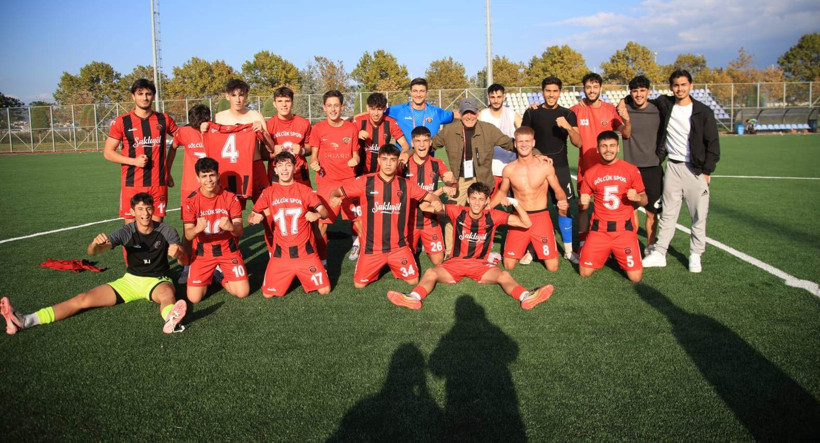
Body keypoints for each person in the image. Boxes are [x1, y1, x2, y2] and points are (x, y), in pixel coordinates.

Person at [1, 193, 188, 335]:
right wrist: (94, 245)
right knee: (83, 299)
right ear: (132, 212)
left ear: (153, 209)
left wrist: (178, 253)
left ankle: (171, 319)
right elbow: (95, 252)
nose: (145, 213)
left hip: (157, 280)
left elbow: (183, 261)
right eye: (140, 209)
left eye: (148, 208)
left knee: (167, 294)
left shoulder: (167, 231)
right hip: (130, 281)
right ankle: (25, 320)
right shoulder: (126, 231)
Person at [386, 183, 554, 311]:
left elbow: (526, 223)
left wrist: (514, 202)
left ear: (487, 201)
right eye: (473, 198)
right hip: (455, 263)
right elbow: (424, 206)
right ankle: (414, 297)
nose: (476, 203)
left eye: (481, 199)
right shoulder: (457, 211)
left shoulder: (494, 216)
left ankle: (526, 296)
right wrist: (441, 191)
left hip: (480, 265)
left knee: (504, 275)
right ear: (467, 199)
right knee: (431, 272)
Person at [329, 144, 442, 289]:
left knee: (413, 281)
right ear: (379, 161)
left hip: (398, 247)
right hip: (372, 247)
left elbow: (429, 196)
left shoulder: (405, 185)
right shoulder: (366, 182)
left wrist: (436, 202)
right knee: (359, 285)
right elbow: (337, 191)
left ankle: (390, 262)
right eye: (385, 159)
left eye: (393, 160)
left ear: (397, 162)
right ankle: (378, 263)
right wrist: (334, 197)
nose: (388, 163)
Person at [641, 69, 721, 273]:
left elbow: (713, 144)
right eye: (676, 85)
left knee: (698, 215)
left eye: (683, 85)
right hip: (673, 167)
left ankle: (695, 254)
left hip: (695, 169)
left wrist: (707, 171)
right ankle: (660, 253)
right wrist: (625, 100)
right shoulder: (666, 104)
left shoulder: (703, 111)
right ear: (671, 87)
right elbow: (640, 95)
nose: (680, 89)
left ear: (691, 86)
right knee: (668, 213)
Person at [248, 152, 331, 297]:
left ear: (294, 168)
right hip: (281, 254)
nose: (284, 170)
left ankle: (303, 272)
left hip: (305, 253)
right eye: (280, 166)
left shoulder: (304, 190)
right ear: (275, 170)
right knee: (267, 294)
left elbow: (325, 212)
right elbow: (252, 215)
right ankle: (291, 274)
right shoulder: (268, 192)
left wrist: (316, 214)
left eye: (288, 165)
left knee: (324, 290)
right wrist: (254, 218)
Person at [488, 126, 567, 271]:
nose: (524, 144)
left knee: (552, 267)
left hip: (541, 216)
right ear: (515, 144)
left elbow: (557, 189)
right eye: (520, 141)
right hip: (519, 217)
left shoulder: (545, 166)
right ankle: (530, 246)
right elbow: (501, 192)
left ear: (533, 143)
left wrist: (562, 200)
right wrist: (487, 208)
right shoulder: (509, 169)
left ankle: (532, 248)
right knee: (509, 265)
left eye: (527, 141)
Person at [521, 76, 582, 264]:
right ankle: (532, 249)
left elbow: (578, 142)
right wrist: (537, 155)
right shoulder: (532, 113)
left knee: (563, 207)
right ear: (542, 92)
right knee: (535, 209)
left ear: (560, 92)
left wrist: (568, 128)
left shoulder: (568, 114)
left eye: (555, 91)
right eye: (548, 91)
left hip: (561, 167)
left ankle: (569, 250)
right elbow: (524, 140)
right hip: (536, 167)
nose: (551, 95)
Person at [103, 78, 178, 224]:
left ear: (153, 96)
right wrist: (134, 161)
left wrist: (167, 170)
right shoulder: (122, 121)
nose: (145, 97)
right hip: (132, 184)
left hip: (158, 183)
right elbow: (108, 153)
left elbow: (182, 137)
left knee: (156, 230)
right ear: (133, 96)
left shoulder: (164, 119)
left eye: (148, 94)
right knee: (131, 232)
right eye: (140, 93)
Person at [577, 131, 647, 282]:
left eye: (612, 146)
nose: (608, 150)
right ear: (598, 149)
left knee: (635, 278)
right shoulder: (591, 173)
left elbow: (645, 200)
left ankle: (615, 252)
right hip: (599, 230)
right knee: (584, 272)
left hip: (623, 230)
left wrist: (638, 198)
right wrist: (582, 202)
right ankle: (606, 252)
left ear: (618, 148)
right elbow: (582, 207)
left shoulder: (631, 169)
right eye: (603, 146)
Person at [571, 73, 630, 241]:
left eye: (595, 87)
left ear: (600, 88)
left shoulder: (610, 109)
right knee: (583, 205)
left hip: (608, 169)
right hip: (586, 167)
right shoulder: (576, 110)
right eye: (588, 87)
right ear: (583, 89)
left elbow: (625, 133)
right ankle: (582, 241)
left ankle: (606, 239)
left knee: (605, 206)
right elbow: (556, 115)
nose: (591, 90)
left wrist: (627, 120)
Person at [182, 157, 249, 303]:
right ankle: (211, 274)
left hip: (227, 250)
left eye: (212, 175)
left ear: (218, 175)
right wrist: (196, 229)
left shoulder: (230, 198)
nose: (209, 180)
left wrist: (231, 227)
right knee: (194, 298)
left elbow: (240, 231)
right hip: (203, 252)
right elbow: (188, 234)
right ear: (197, 178)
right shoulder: (190, 201)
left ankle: (219, 277)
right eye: (204, 176)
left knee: (242, 292)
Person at [309, 90, 361, 263]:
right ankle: (319, 257)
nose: (333, 109)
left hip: (348, 181)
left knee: (357, 219)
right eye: (329, 105)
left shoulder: (351, 128)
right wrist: (314, 162)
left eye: (336, 105)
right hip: (326, 182)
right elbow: (314, 155)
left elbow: (356, 154)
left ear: (342, 107)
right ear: (324, 107)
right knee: (322, 221)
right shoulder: (318, 128)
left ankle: (362, 249)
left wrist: (355, 159)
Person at [618, 75, 663, 251]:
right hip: (631, 168)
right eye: (635, 91)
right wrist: (623, 104)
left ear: (648, 92)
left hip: (653, 168)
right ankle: (633, 243)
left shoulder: (658, 110)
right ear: (630, 93)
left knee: (652, 212)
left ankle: (650, 246)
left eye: (642, 91)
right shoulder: (624, 110)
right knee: (632, 210)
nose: (638, 94)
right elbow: (625, 134)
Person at [167, 104, 210, 284]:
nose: (197, 125)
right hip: (189, 188)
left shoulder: (213, 129)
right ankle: (186, 266)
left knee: (213, 225)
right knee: (188, 229)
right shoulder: (183, 132)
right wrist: (167, 171)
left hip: (210, 187)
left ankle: (214, 264)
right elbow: (174, 147)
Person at [213, 79, 273, 205]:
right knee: (234, 211)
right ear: (227, 96)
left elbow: (271, 147)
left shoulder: (255, 116)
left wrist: (262, 132)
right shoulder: (218, 118)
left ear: (246, 96)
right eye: (234, 95)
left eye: (241, 95)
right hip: (232, 169)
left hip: (254, 165)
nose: (238, 99)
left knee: (266, 206)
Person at [404, 126, 456, 265]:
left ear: (431, 142)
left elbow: (449, 181)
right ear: (412, 143)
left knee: (439, 261)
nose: (422, 145)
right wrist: (441, 190)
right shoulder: (404, 164)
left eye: (425, 141)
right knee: (405, 260)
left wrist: (451, 184)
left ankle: (424, 243)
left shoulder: (437, 163)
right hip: (409, 221)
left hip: (430, 221)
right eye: (418, 141)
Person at [387, 77, 456, 153]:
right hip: (405, 161)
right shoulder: (398, 110)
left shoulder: (436, 112)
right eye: (415, 91)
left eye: (422, 91)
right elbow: (377, 111)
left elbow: (458, 115)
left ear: (426, 93)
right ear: (411, 92)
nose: (418, 94)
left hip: (427, 161)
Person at [265, 86, 313, 187]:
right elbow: (262, 154)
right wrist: (273, 153)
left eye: (287, 101)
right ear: (274, 104)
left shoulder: (304, 123)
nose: (284, 104)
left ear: (292, 103)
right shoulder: (268, 125)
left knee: (304, 202)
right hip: (277, 174)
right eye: (280, 101)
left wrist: (302, 151)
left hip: (299, 171)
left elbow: (311, 148)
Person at [478, 83, 521, 194]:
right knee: (489, 203)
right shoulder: (482, 115)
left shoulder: (512, 114)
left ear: (504, 97)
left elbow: (524, 133)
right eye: (492, 97)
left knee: (515, 203)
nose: (496, 100)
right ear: (488, 98)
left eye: (499, 97)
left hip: (511, 166)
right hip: (489, 168)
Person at [352, 92, 409, 173]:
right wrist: (356, 134)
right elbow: (344, 139)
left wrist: (404, 153)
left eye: (379, 109)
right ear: (367, 108)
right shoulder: (358, 121)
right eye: (373, 109)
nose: (376, 113)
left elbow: (404, 144)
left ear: (384, 109)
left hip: (381, 172)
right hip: (361, 171)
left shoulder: (390, 122)